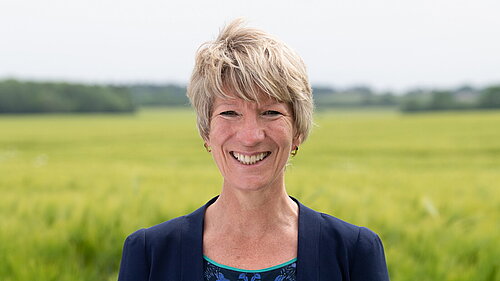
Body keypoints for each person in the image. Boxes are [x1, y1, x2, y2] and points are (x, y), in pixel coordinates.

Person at [118, 19, 390, 281]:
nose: (251, 137)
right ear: (206, 132)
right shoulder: (148, 254)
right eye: (230, 112)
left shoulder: (355, 252)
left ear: (298, 131)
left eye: (271, 112)